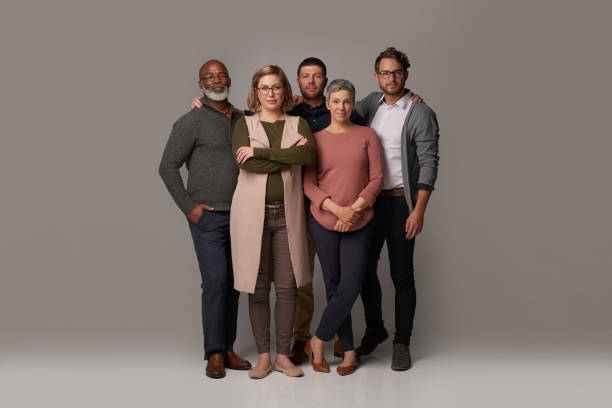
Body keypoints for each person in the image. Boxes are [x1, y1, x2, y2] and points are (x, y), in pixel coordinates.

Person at [159, 59, 252, 379]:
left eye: (221, 75)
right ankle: (213, 352)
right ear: (200, 85)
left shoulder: (243, 118)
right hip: (208, 217)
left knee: (234, 285)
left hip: (241, 214)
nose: (216, 80)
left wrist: (294, 100)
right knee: (216, 281)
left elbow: (276, 115)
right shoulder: (191, 121)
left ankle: (227, 347)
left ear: (229, 78)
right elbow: (167, 166)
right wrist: (190, 207)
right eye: (209, 77)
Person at [353, 47, 440, 371]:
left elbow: (429, 163)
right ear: (376, 76)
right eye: (385, 72)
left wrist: (419, 210)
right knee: (361, 269)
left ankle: (402, 342)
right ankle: (375, 328)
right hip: (370, 201)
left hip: (402, 202)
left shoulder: (420, 112)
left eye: (397, 72)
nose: (391, 78)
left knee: (402, 274)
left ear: (405, 74)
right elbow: (334, 113)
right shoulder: (369, 104)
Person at [230, 64, 315, 379]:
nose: (270, 93)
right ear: (256, 91)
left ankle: (283, 355)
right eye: (264, 87)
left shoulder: (299, 123)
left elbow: (306, 157)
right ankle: (263, 357)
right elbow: (249, 165)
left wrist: (264, 153)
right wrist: (284, 154)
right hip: (251, 215)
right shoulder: (244, 124)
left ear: (285, 91)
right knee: (257, 286)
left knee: (288, 287)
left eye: (276, 87)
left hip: (287, 213)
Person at [303, 79, 384, 375]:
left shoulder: (367, 135)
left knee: (350, 286)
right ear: (327, 104)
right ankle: (349, 351)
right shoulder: (316, 139)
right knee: (335, 285)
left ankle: (319, 339)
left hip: (360, 221)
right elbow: (308, 184)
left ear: (354, 103)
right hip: (323, 221)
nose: (341, 107)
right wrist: (337, 209)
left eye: (347, 101)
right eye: (336, 101)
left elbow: (377, 179)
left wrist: (355, 209)